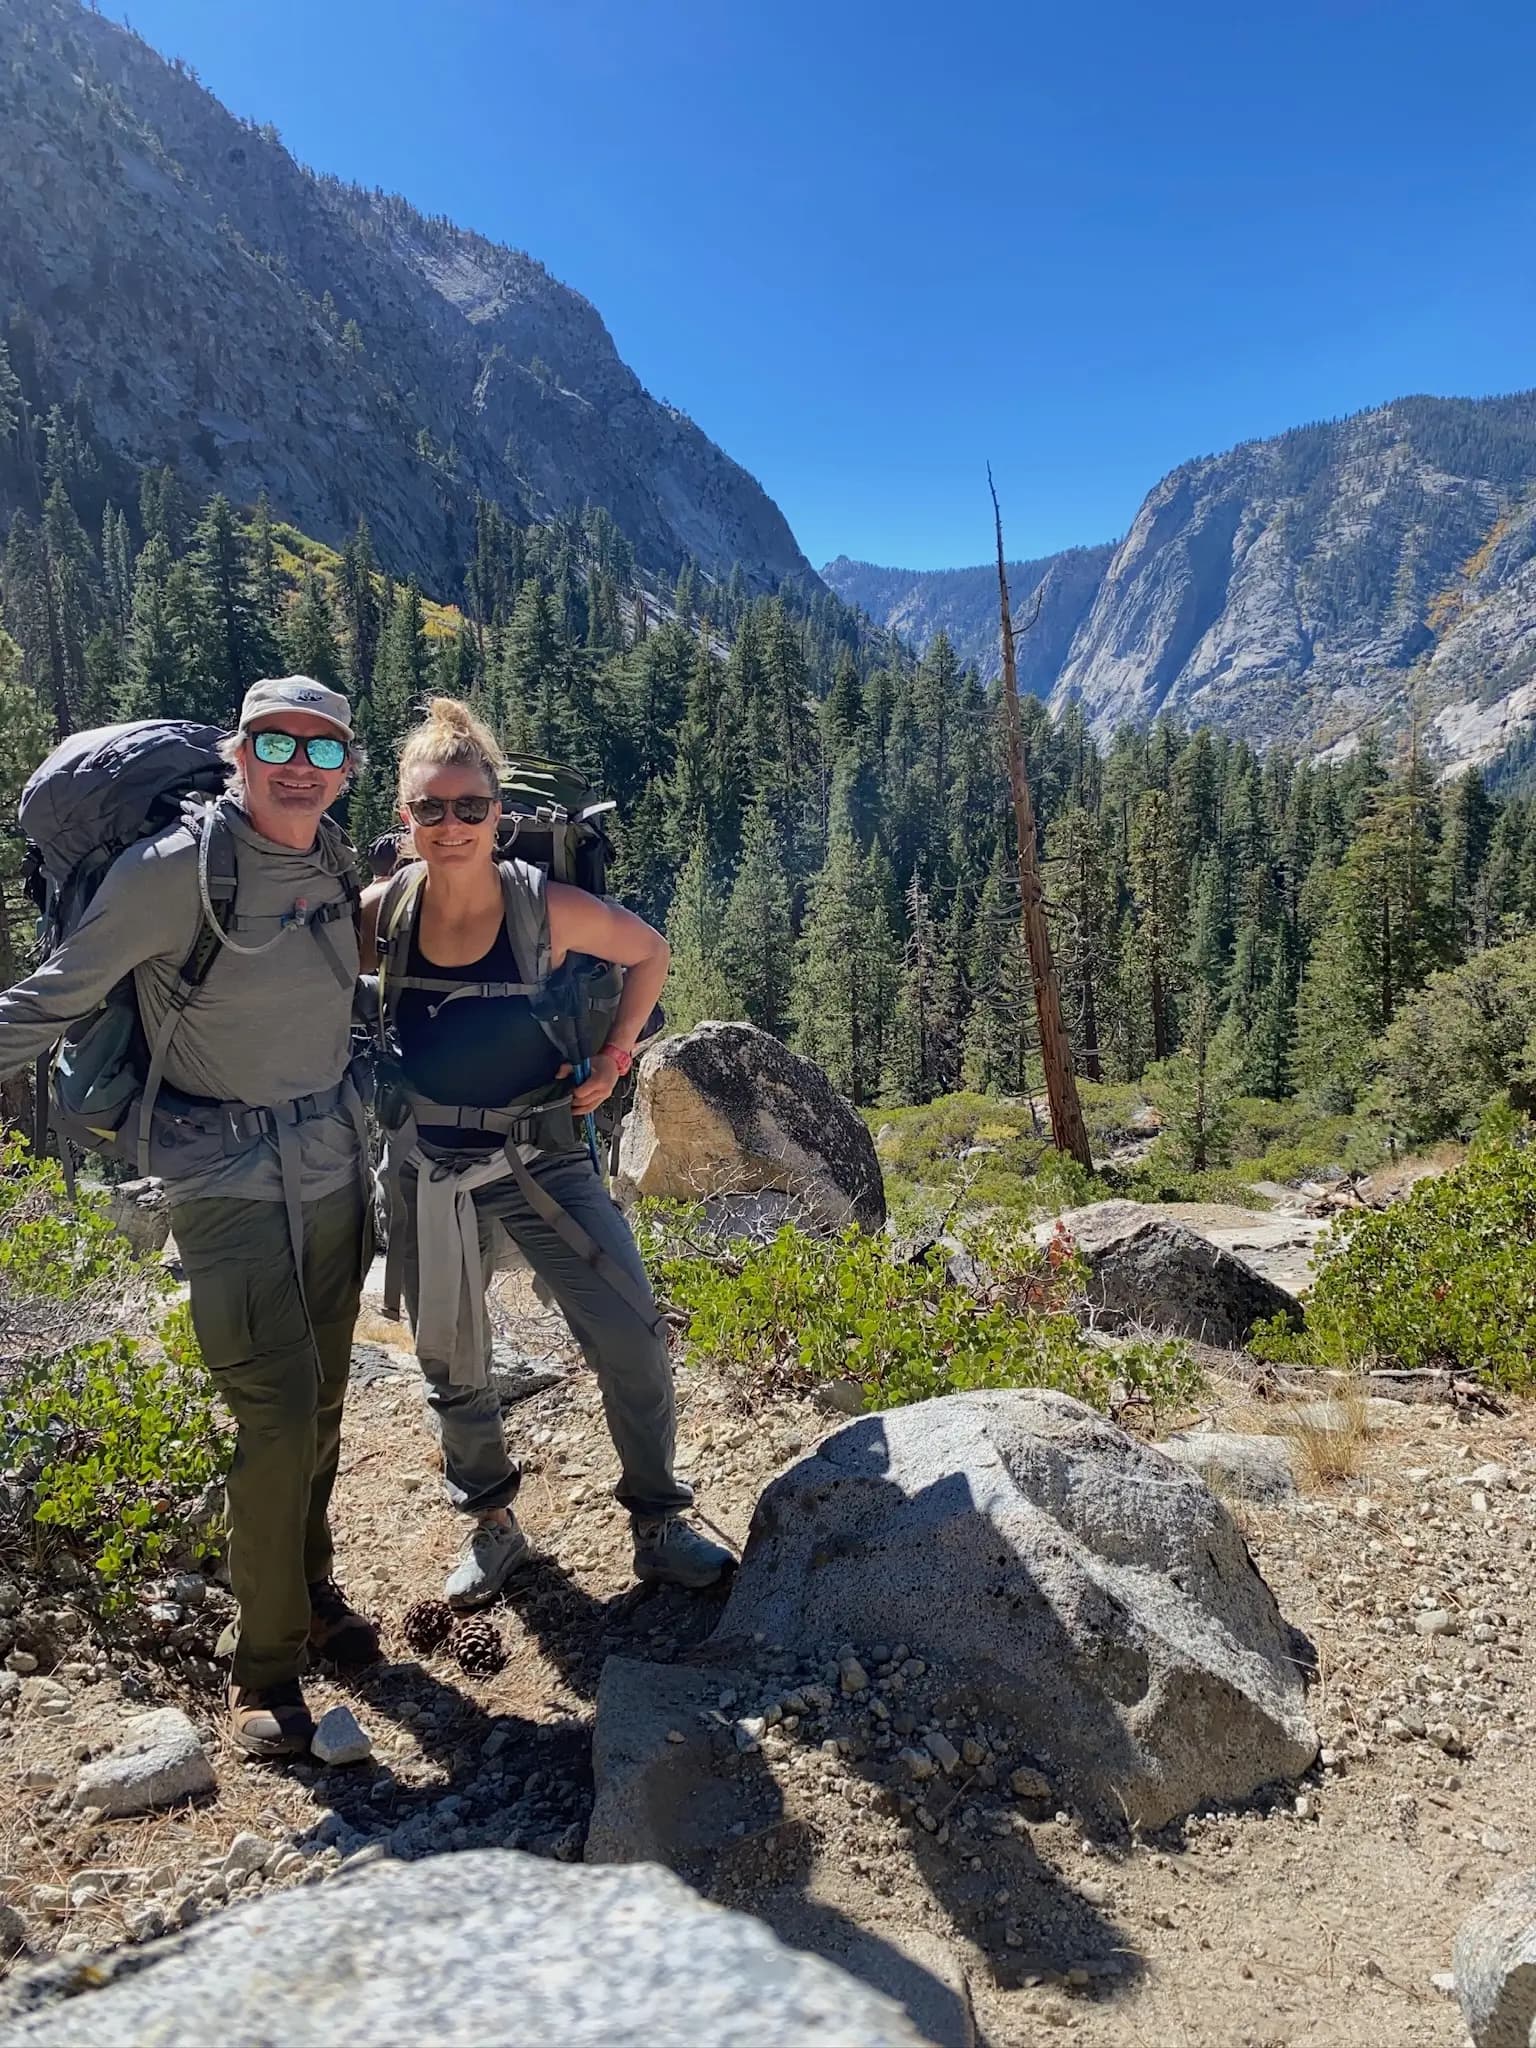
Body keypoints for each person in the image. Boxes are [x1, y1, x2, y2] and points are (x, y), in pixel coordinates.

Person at [0, 678, 378, 1759]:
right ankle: (265, 1669)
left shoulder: (330, 857)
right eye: (276, 743)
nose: (299, 765)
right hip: (225, 1173)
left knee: (326, 1396)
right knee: (277, 1412)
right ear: (237, 750)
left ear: (347, 768)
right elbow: (50, 997)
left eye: (323, 748)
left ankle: (309, 1587)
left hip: (335, 1160)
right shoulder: (173, 871)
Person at [363, 697, 733, 1609]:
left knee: (631, 1336)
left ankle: (657, 1522)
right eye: (430, 808)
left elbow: (650, 952)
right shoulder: (381, 913)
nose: (451, 825)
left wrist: (616, 1058)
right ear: (405, 818)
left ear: (497, 814)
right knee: (453, 1362)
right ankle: (492, 1525)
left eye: (469, 806)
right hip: (429, 1168)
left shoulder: (543, 907)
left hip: (543, 1158)